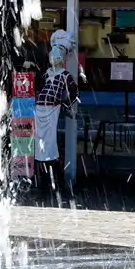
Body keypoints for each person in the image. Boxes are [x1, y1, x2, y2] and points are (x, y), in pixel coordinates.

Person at [34, 31, 79, 193]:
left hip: (53, 111)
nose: (54, 56)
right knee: (39, 146)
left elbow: (73, 91)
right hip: (39, 111)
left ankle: (53, 183)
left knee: (51, 146)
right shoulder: (46, 74)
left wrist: (66, 104)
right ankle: (43, 182)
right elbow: (39, 88)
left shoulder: (65, 75)